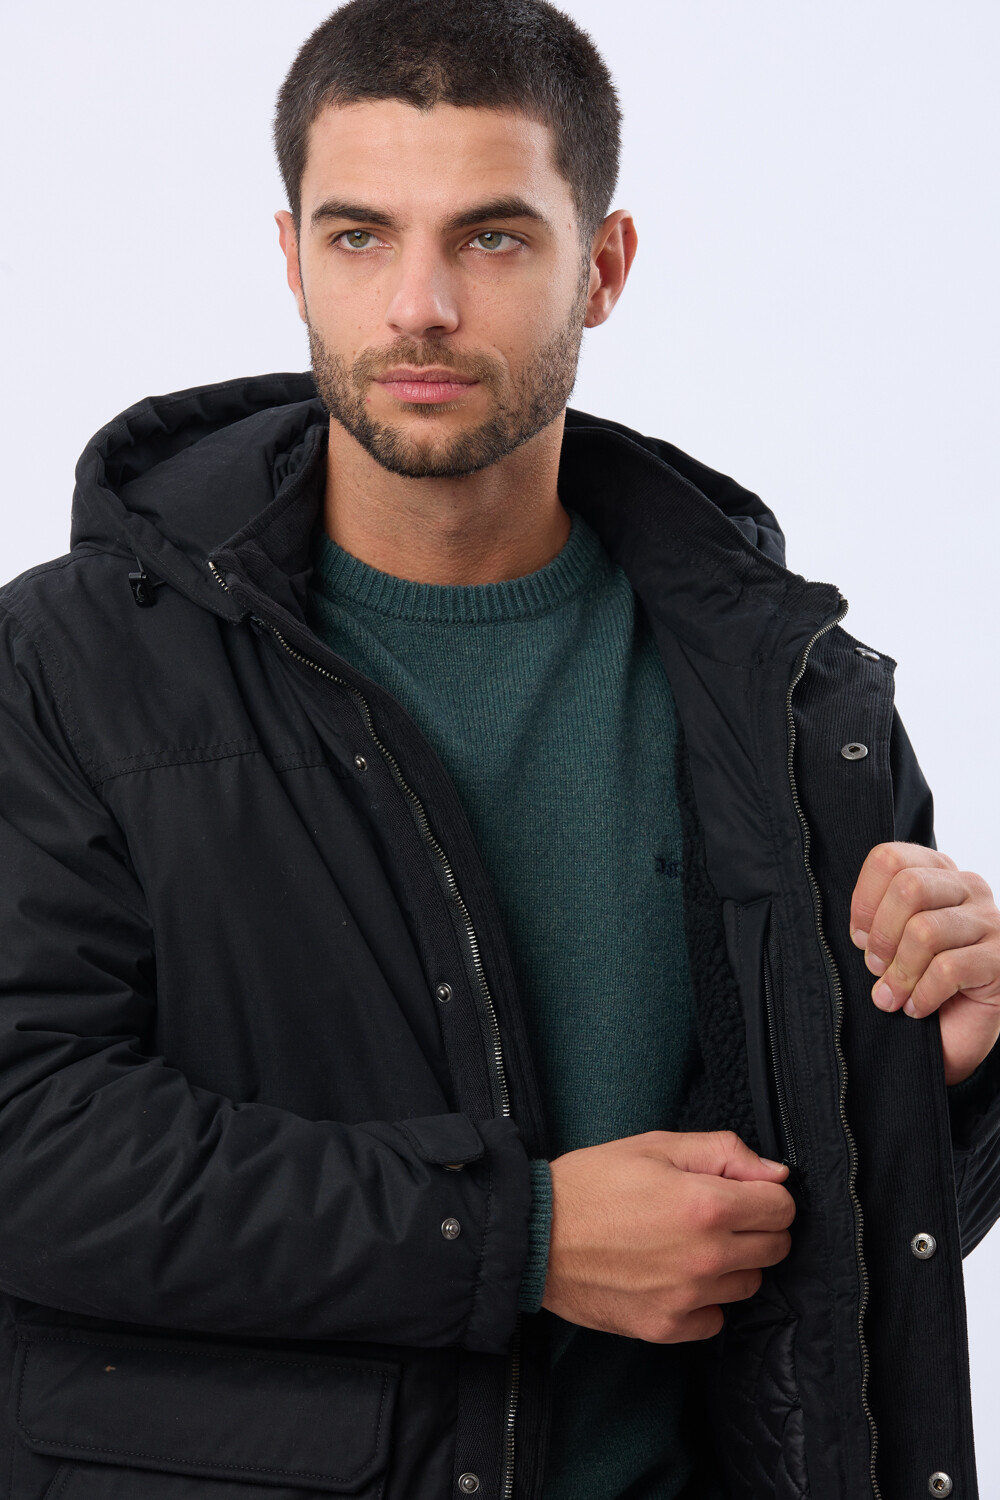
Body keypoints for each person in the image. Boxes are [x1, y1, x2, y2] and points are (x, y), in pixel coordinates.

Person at [1, 0, 999, 1496]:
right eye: (359, 237)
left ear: (602, 268)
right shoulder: (72, 665)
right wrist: (517, 1237)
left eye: (492, 237)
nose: (418, 306)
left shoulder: (791, 699)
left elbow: (826, 1292)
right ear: (291, 261)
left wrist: (937, 1079)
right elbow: (29, 1139)